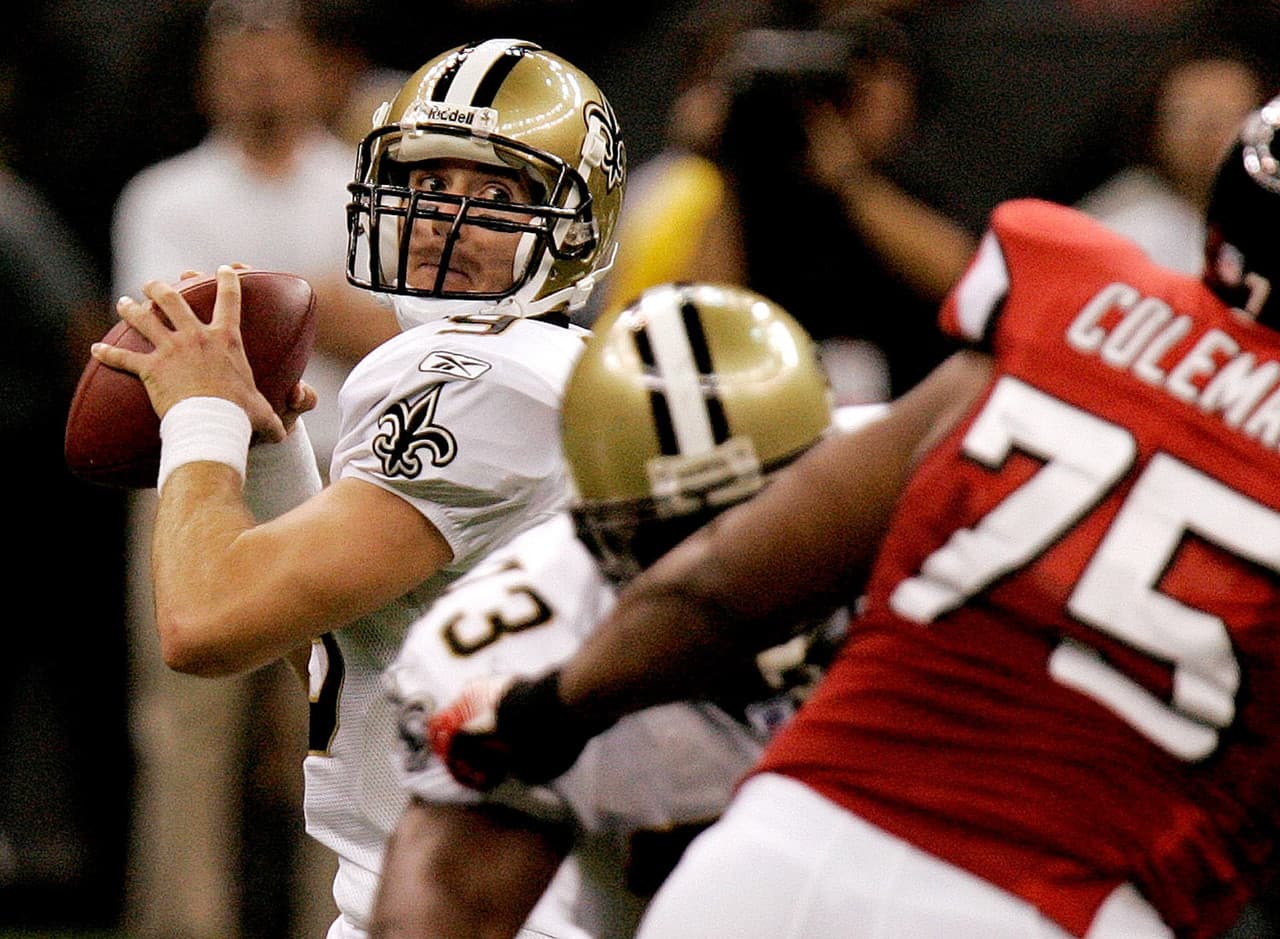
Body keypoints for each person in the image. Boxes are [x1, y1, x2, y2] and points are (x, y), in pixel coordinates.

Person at [428, 97, 1280, 938]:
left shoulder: (1073, 295)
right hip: (1070, 897)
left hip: (790, 852)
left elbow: (732, 580)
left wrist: (543, 711)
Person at [93, 36, 626, 939]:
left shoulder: (476, 377)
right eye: (428, 184)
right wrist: (267, 448)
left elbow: (207, 619)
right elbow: (345, 620)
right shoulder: (541, 368)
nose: (442, 219)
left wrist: (198, 417)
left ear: (576, 229)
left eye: (496, 196)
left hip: (471, 901)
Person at [370, 282, 884, 939]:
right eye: (670, 540)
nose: (727, 572)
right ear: (592, 537)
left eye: (763, 524)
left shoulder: (926, 492)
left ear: (833, 479)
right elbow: (449, 913)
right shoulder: (524, 637)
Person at [109, 2, 396, 935]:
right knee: (186, 735)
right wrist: (311, 302)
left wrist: (255, 313)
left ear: (322, 70)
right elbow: (164, 347)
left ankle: (341, 926)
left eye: (280, 55)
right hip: (193, 475)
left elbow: (392, 329)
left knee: (341, 723)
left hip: (347, 471)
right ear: (207, 79)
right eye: (240, 58)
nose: (263, 74)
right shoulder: (162, 191)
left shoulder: (365, 180)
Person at [684, 11, 975, 403]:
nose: (877, 99)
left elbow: (958, 273)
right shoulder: (759, 192)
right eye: (861, 82)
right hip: (788, 408)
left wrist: (850, 180)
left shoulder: (915, 185)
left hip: (905, 404)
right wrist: (726, 159)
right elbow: (707, 308)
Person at [1076, 42, 1264, 274]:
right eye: (1187, 115)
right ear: (1156, 126)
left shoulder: (1263, 227)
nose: (1205, 133)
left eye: (1224, 116)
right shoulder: (1124, 226)